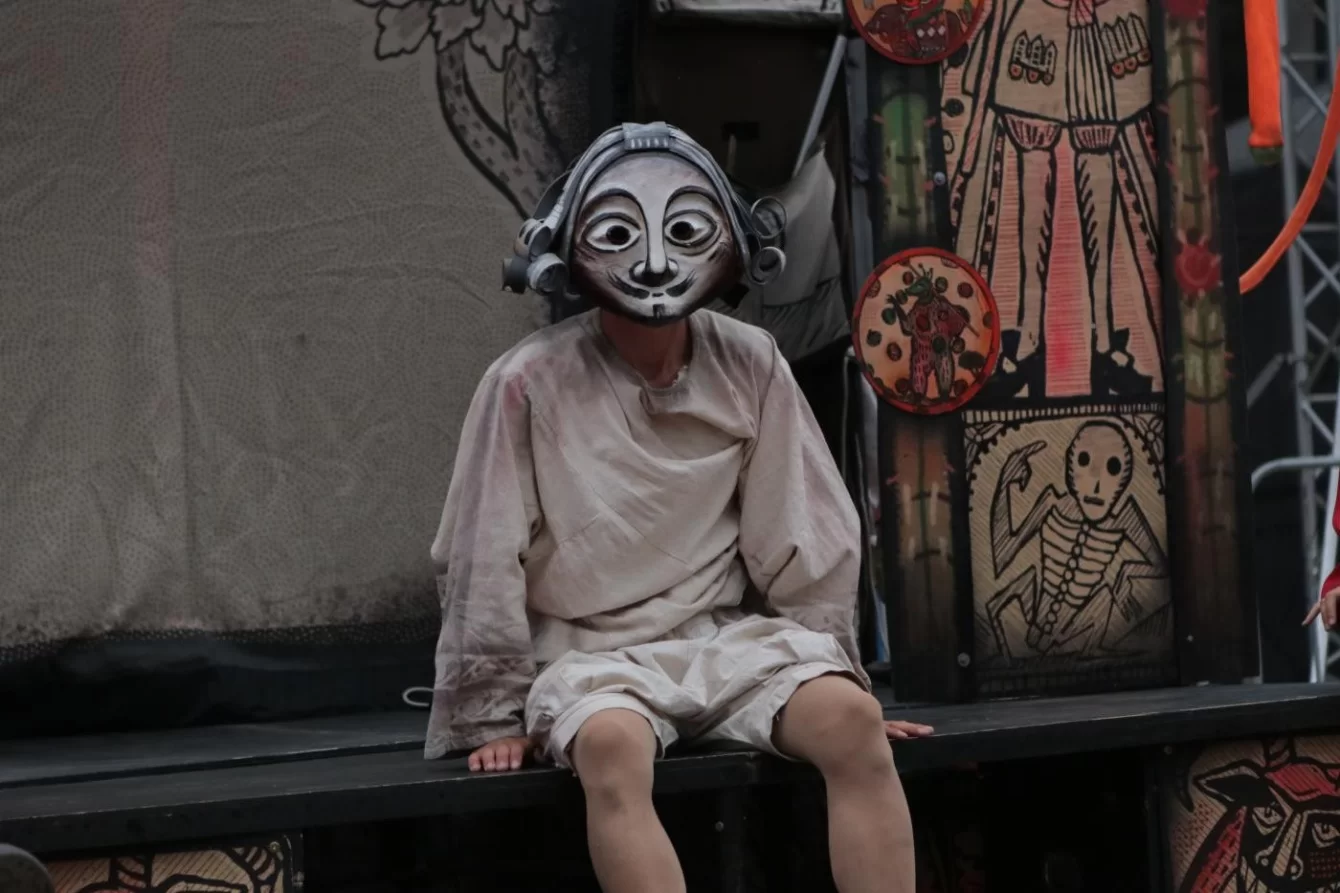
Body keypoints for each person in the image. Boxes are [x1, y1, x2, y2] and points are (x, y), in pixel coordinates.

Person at [423, 123, 931, 893]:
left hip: (725, 643)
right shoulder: (525, 381)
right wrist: (493, 713)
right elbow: (482, 551)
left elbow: (804, 531)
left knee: (854, 725)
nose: (656, 260)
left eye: (685, 229)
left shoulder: (750, 361)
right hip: (590, 657)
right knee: (612, 750)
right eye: (620, 232)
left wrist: (830, 672)